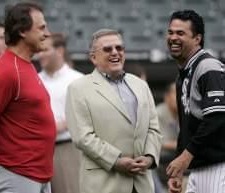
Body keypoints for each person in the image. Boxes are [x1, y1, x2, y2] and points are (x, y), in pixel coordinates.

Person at [0, 2, 56, 193]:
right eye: (41, 27)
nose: (47, 33)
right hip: (16, 177)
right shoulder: (8, 70)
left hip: (37, 176)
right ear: (23, 31)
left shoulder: (25, 64)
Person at [65, 28, 162, 193]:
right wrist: (116, 160)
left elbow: (153, 128)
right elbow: (83, 137)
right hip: (103, 183)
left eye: (119, 48)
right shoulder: (78, 88)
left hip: (141, 182)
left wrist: (149, 157)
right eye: (107, 49)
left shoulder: (141, 85)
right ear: (93, 58)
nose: (115, 52)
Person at [166, 10, 225, 193]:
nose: (173, 37)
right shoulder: (184, 72)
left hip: (218, 167)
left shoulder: (208, 67)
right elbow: (187, 128)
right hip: (199, 168)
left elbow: (217, 118)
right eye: (171, 32)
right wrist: (178, 169)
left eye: (180, 33)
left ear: (197, 39)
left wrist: (185, 157)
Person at [38, 33, 83, 193]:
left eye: (45, 50)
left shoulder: (78, 80)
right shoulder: (35, 80)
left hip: (66, 150)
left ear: (60, 51)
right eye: (39, 50)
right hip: (37, 151)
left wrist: (58, 126)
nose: (40, 54)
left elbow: (83, 117)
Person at [156, 82, 179, 186]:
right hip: (159, 163)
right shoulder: (158, 113)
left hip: (176, 161)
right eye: (176, 94)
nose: (180, 97)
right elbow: (161, 143)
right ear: (167, 97)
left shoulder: (184, 113)